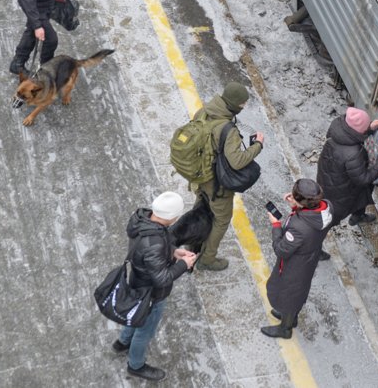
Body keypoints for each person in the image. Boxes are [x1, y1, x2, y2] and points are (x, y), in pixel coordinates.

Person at [112, 191, 197, 381]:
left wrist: (174, 252)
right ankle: (136, 365)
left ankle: (122, 342)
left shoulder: (143, 222)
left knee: (135, 315)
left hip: (137, 282)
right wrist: (184, 264)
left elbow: (151, 253)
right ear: (171, 217)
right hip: (151, 294)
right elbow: (162, 278)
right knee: (145, 331)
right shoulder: (155, 242)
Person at [192, 82, 263, 271]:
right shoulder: (228, 129)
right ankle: (207, 259)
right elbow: (237, 162)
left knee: (200, 206)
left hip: (198, 172)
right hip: (215, 182)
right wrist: (258, 146)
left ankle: (193, 245)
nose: (243, 107)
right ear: (234, 104)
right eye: (242, 104)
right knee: (222, 219)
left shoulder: (204, 111)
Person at [316, 107, 378, 257]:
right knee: (325, 223)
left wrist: (370, 128)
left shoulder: (338, 131)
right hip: (338, 196)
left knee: (363, 193)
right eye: (365, 128)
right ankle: (314, 250)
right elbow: (363, 179)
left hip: (330, 181)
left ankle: (358, 216)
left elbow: (355, 134)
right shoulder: (353, 153)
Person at [262, 179, 332, 339]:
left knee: (289, 295)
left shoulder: (299, 228)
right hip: (310, 258)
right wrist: (296, 205)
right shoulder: (326, 207)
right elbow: (309, 218)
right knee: (296, 292)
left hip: (295, 266)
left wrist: (276, 226)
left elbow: (281, 250)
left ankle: (286, 328)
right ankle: (290, 317)